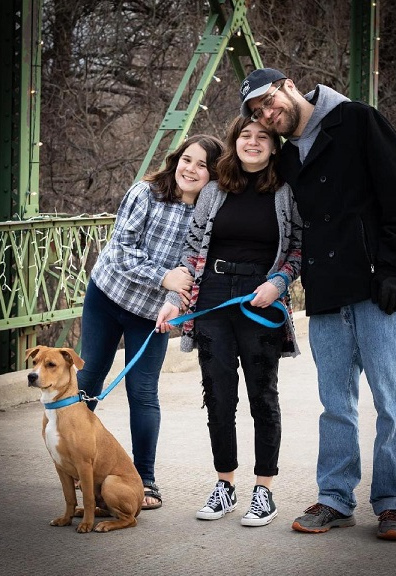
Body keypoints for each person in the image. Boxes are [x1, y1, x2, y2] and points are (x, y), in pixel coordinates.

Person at [238, 67, 396, 540]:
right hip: (326, 293)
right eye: (257, 112)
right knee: (335, 403)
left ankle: (391, 504)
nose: (267, 114)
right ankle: (335, 499)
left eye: (268, 101)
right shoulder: (286, 159)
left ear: (286, 86)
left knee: (391, 401)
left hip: (377, 285)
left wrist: (393, 270)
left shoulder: (358, 120)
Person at [156, 115, 303, 527]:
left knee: (263, 396)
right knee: (218, 395)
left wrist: (279, 281)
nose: (252, 142)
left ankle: (264, 490)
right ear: (234, 142)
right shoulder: (214, 191)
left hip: (261, 299)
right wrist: (174, 301)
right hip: (214, 297)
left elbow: (297, 249)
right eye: (245, 136)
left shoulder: (286, 193)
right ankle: (225, 485)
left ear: (274, 146)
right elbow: (190, 252)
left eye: (262, 137)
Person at [77, 134, 224, 510]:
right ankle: (78, 466)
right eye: (186, 160)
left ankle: (144, 479)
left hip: (152, 314)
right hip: (107, 296)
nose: (190, 169)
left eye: (202, 165)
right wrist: (164, 278)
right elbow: (123, 249)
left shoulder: (209, 217)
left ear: (214, 174)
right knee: (90, 377)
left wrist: (175, 298)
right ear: (176, 160)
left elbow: (195, 270)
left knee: (142, 393)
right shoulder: (145, 193)